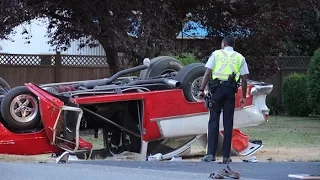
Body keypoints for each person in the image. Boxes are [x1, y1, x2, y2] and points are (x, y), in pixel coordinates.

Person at [198, 35, 249, 164]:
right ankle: (226, 156)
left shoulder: (216, 54)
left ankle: (211, 155)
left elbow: (207, 73)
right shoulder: (240, 58)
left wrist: (201, 90)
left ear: (223, 44)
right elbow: (244, 79)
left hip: (217, 91)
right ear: (233, 45)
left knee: (213, 121)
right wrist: (243, 96)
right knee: (228, 123)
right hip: (230, 92)